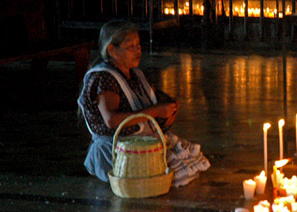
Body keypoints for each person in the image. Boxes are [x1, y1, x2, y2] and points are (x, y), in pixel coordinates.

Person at [78, 20, 209, 186]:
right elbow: (112, 121)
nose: (137, 50)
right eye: (130, 46)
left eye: (138, 44)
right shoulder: (105, 78)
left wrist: (168, 111)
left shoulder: (135, 75)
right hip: (118, 152)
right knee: (167, 176)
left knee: (188, 160)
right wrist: (156, 111)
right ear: (112, 49)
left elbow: (153, 113)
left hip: (141, 143)